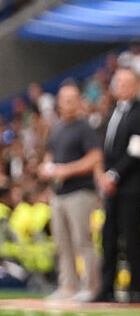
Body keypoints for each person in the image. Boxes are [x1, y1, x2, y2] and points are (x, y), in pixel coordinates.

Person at [94, 68, 140, 304]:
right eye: (117, 82)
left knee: (131, 237)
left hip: (132, 185)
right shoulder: (112, 112)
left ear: (136, 85)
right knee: (108, 236)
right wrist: (103, 176)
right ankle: (106, 287)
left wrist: (113, 175)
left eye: (125, 82)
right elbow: (105, 148)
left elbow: (139, 150)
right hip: (112, 185)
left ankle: (138, 288)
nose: (120, 86)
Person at [40, 82, 102, 301]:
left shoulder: (84, 127)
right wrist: (47, 167)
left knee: (82, 240)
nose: (69, 104)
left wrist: (67, 170)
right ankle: (68, 285)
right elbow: (51, 154)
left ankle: (91, 286)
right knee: (62, 241)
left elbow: (95, 157)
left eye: (73, 99)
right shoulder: (56, 128)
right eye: (66, 99)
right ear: (59, 102)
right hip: (58, 193)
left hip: (80, 191)